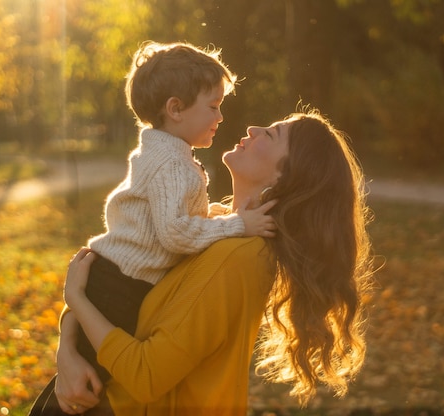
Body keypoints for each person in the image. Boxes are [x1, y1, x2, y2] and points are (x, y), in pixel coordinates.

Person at [54, 108, 375, 415]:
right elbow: (116, 288)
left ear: (283, 176)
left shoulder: (240, 256)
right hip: (91, 393)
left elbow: (146, 376)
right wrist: (67, 352)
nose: (253, 129)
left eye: (272, 134)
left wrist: (76, 299)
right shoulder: (206, 226)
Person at [27, 41, 276, 415]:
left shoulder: (168, 155)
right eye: (213, 106)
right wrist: (239, 224)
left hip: (112, 281)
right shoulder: (173, 166)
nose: (221, 117)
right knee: (81, 391)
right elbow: (177, 233)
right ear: (174, 109)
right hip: (121, 287)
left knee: (77, 386)